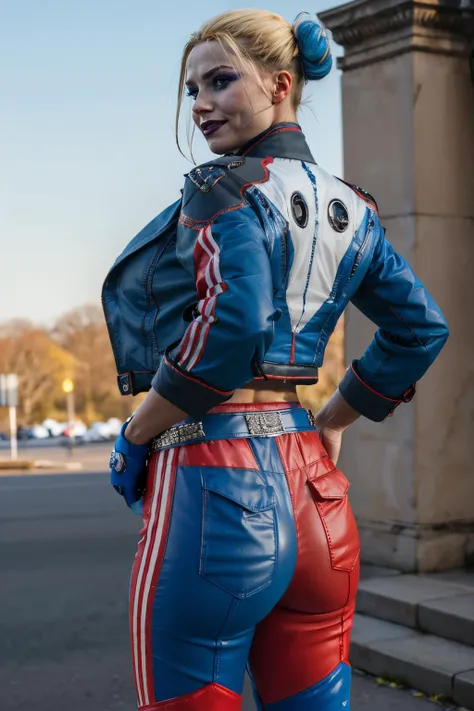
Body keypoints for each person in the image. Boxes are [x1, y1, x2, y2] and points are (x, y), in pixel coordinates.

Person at [102, 9, 449, 711]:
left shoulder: (223, 187)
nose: (199, 104)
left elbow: (231, 329)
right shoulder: (353, 207)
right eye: (191, 88)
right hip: (317, 495)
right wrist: (334, 419)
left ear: (281, 83)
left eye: (220, 81)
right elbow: (420, 328)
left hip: (211, 487)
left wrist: (137, 431)